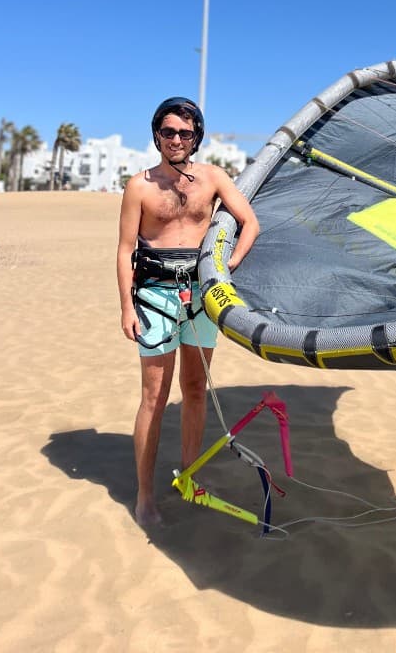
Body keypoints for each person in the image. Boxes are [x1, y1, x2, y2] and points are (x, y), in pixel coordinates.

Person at [117, 96, 259, 527]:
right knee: (154, 399)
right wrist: (127, 307)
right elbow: (125, 251)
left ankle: (190, 480)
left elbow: (250, 223)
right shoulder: (139, 185)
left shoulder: (213, 177)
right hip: (154, 297)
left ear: (197, 135)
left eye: (184, 132)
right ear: (156, 134)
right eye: (168, 131)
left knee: (195, 390)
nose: (176, 139)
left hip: (201, 298)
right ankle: (145, 498)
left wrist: (228, 266)